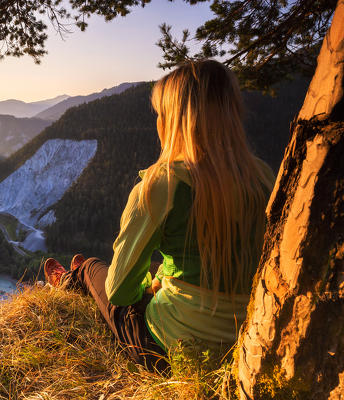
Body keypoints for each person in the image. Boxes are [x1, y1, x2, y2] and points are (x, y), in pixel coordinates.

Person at [44, 59, 275, 370]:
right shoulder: (263, 177)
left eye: (160, 114)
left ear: (173, 120)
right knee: (166, 267)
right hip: (247, 344)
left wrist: (149, 290)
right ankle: (76, 278)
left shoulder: (163, 184)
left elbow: (121, 292)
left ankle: (73, 281)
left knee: (93, 267)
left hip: (168, 351)